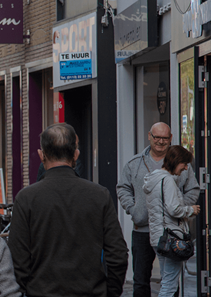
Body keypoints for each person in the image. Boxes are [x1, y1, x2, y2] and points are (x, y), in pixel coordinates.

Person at [8, 123, 128, 297]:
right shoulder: (99, 195)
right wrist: (111, 292)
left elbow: (17, 260)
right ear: (76, 154)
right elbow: (118, 255)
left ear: (41, 155)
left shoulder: (26, 198)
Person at [117, 122, 199, 297]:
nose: (161, 141)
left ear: (170, 139)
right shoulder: (134, 163)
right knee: (140, 280)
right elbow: (122, 188)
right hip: (142, 229)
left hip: (169, 232)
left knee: (169, 280)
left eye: (165, 138)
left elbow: (192, 189)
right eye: (157, 137)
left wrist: (176, 205)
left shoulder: (181, 163)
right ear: (149, 136)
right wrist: (133, 209)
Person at [143, 145, 201, 297]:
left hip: (159, 237)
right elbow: (173, 209)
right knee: (169, 286)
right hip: (171, 238)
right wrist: (190, 210)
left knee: (166, 281)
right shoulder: (167, 180)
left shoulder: (154, 179)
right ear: (177, 161)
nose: (186, 167)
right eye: (185, 163)